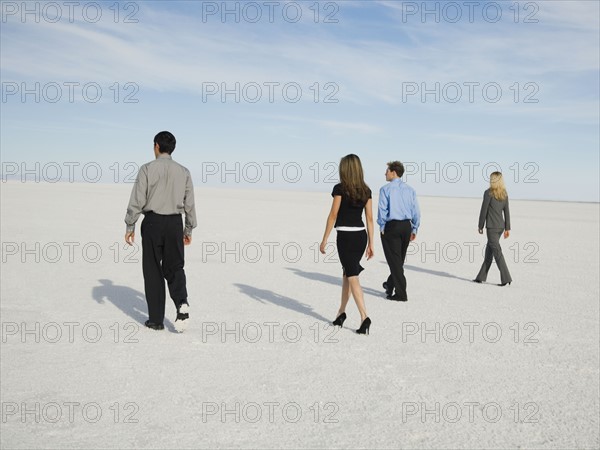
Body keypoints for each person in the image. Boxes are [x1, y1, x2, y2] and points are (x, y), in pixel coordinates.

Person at [124, 131, 197, 332]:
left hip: (153, 223)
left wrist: (130, 224)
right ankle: (181, 301)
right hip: (174, 223)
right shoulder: (184, 171)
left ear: (156, 146)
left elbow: (137, 199)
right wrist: (188, 228)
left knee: (153, 270)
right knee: (175, 267)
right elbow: (189, 203)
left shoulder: (147, 169)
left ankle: (156, 320)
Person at [320, 154, 375, 335]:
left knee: (352, 276)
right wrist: (371, 243)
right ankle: (341, 313)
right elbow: (369, 219)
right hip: (360, 237)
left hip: (345, 237)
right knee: (347, 273)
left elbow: (333, 215)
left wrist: (324, 239)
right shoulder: (366, 190)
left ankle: (364, 317)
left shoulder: (340, 188)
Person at [377, 161, 420, 302]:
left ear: (394, 172)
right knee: (398, 260)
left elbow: (382, 211)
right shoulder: (410, 190)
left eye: (387, 171)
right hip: (406, 227)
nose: (385, 173)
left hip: (392, 227)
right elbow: (416, 211)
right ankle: (390, 285)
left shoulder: (385, 189)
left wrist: (382, 226)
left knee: (395, 261)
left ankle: (401, 294)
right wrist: (414, 228)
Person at [474, 171, 512, 286]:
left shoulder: (488, 193)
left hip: (491, 228)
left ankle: (506, 278)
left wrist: (480, 225)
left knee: (497, 252)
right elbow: (507, 213)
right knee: (489, 252)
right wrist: (507, 228)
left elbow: (483, 210)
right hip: (500, 227)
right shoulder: (504, 193)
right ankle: (480, 277)